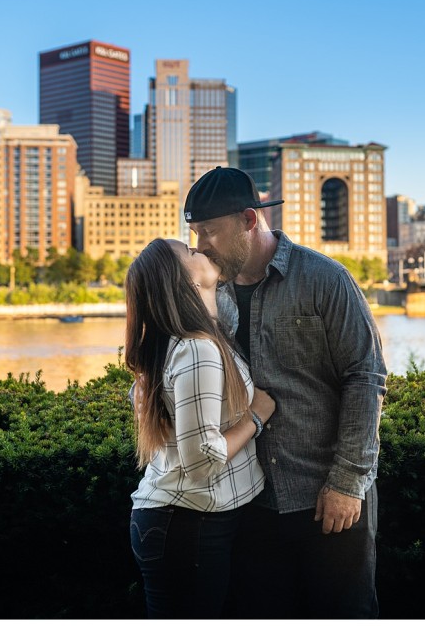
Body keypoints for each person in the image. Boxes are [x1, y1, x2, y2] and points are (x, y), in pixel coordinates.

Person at [184, 166, 388, 618]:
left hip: (327, 499)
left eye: (210, 231)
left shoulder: (325, 279)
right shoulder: (210, 295)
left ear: (250, 220)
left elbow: (366, 377)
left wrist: (347, 483)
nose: (199, 244)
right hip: (250, 502)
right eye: (194, 232)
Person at [124, 237, 277, 619]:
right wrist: (256, 416)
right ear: (186, 283)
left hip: (186, 523)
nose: (201, 249)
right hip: (187, 525)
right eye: (190, 252)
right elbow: (201, 461)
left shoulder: (190, 341)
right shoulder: (197, 349)